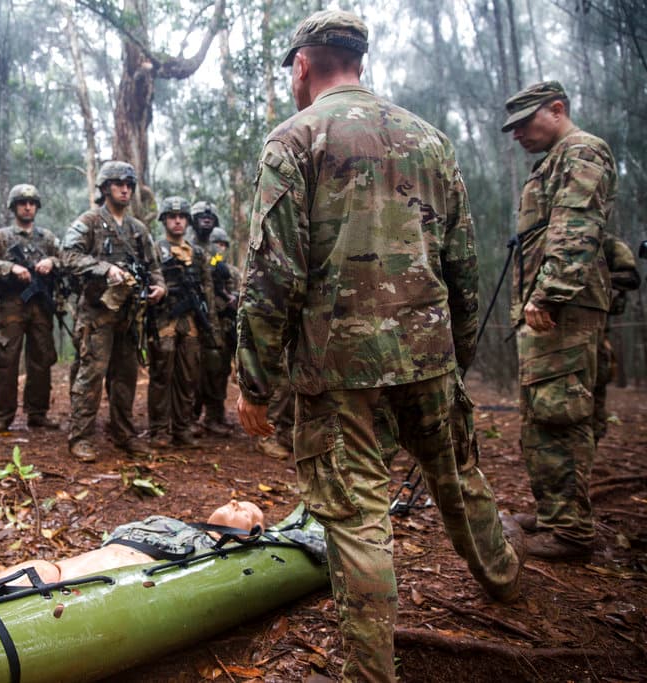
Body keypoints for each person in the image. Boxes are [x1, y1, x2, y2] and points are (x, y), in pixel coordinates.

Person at [236, 11, 524, 681]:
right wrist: (456, 350)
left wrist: (253, 380)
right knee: (459, 475)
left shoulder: (294, 140)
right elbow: (464, 262)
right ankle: (505, 578)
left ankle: (372, 672)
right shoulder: (430, 140)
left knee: (359, 516)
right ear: (357, 61)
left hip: (339, 368)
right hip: (427, 352)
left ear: (303, 66)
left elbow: (272, 274)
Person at [502, 81, 617, 561]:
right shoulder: (555, 159)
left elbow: (577, 226)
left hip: (562, 310)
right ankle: (554, 511)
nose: (518, 134)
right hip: (553, 310)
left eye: (526, 122)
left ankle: (570, 531)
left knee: (560, 412)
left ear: (557, 109)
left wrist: (548, 294)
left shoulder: (582, 152)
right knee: (543, 411)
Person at [61, 161, 166, 462]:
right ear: (105, 187)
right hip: (97, 314)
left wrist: (159, 287)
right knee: (92, 373)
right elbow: (68, 255)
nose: (125, 189)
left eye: (129, 184)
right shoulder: (90, 221)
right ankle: (80, 436)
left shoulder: (137, 229)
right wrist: (105, 268)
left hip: (129, 316)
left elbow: (154, 266)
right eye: (119, 183)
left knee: (126, 376)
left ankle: (123, 432)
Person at [0, 500, 266, 585]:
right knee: (40, 569)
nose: (234, 502)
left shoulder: (215, 558)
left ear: (253, 532)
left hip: (110, 584)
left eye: (245, 510)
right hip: (65, 568)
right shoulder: (166, 520)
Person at [0, 184, 62, 432]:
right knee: (7, 360)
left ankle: (38, 412)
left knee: (41, 359)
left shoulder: (47, 239)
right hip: (11, 305)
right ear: (14, 207)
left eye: (32, 203)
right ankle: (3, 416)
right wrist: (11, 268)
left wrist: (51, 261)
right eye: (22, 203)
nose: (27, 207)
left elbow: (67, 259)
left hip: (40, 306)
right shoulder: (2, 237)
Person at [146, 196, 218, 449]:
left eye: (182, 217)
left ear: (187, 221)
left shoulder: (197, 253)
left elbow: (207, 288)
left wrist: (211, 323)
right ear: (164, 220)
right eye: (172, 216)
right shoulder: (155, 249)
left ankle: (182, 427)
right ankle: (158, 430)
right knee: (161, 374)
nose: (177, 221)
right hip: (164, 318)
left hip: (191, 322)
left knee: (188, 375)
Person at [591, 233, 641, 444]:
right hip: (554, 334)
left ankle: (592, 442)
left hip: (597, 333)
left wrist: (590, 278)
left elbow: (631, 279)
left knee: (595, 393)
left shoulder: (609, 244)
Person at [189, 201, 234, 436]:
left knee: (217, 366)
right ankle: (189, 417)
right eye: (201, 216)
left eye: (210, 217)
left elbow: (219, 279)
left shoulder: (215, 254)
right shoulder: (186, 247)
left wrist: (227, 297)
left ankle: (213, 415)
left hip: (215, 318)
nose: (206, 220)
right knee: (191, 370)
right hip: (191, 317)